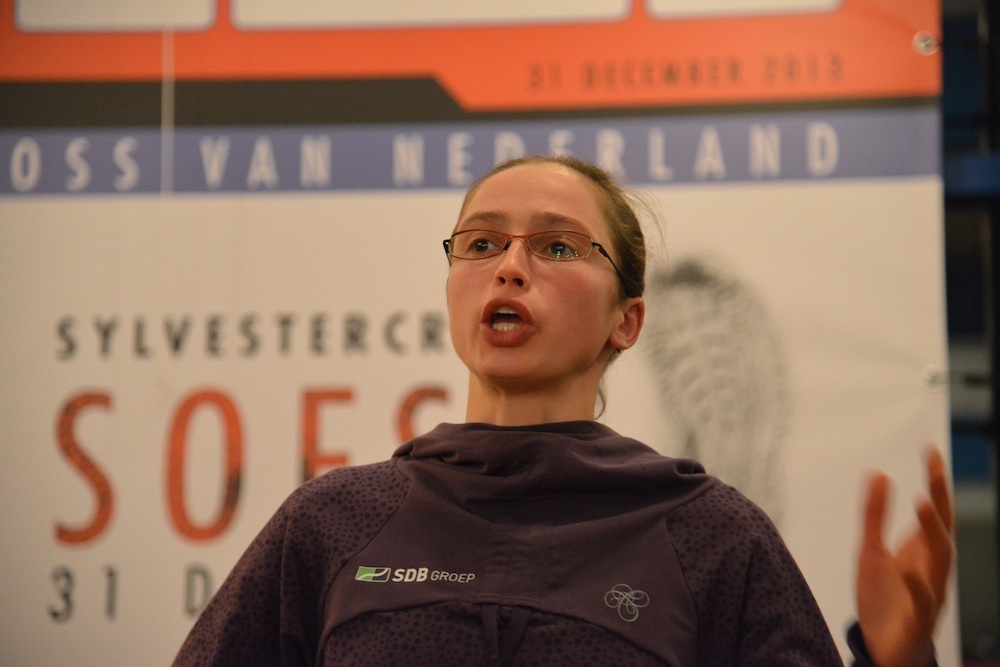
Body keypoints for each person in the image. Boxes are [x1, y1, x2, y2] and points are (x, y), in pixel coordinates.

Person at [173, 155, 954, 666]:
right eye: (482, 244)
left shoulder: (712, 535)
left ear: (627, 321)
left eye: (556, 247)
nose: (510, 266)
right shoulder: (333, 521)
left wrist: (899, 662)